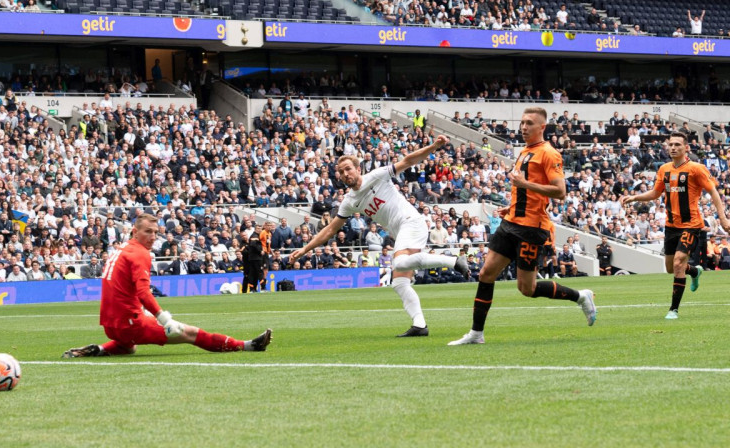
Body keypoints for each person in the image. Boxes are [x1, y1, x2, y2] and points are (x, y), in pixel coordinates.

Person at [289, 135, 469, 337]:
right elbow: (330, 230)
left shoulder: (377, 175)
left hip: (411, 221)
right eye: (341, 172)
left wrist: (434, 146)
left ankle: (454, 261)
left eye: (348, 169)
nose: (345, 174)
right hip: (400, 231)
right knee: (399, 282)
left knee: (400, 263)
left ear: (358, 169)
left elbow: (408, 161)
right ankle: (420, 325)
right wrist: (305, 249)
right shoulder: (349, 202)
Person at [449, 107, 596, 346]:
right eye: (522, 122)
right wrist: (511, 207)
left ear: (542, 127)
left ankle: (580, 296)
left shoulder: (549, 154)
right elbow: (523, 189)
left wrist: (525, 184)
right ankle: (476, 333)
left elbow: (560, 191)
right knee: (486, 274)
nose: (524, 127)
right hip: (511, 222)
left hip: (532, 228)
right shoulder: (525, 151)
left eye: (529, 123)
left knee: (526, 288)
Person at [63, 214, 271, 357]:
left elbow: (122, 287)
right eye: (147, 232)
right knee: (190, 333)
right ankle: (247, 346)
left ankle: (99, 349)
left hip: (110, 324)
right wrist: (164, 319)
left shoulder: (120, 249)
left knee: (129, 348)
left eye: (155, 232)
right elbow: (143, 292)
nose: (153, 237)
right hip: (129, 322)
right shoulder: (141, 253)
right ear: (135, 231)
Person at [621, 132, 730, 319]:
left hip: (691, 224)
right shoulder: (664, 169)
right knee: (671, 268)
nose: (673, 148)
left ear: (685, 147)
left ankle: (673, 309)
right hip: (671, 226)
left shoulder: (696, 169)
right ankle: (695, 272)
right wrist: (634, 197)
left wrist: (723, 218)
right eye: (670, 144)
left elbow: (713, 192)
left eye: (677, 144)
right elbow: (655, 193)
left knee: (679, 261)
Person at [242, 229, 266, 293]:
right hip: (255, 259)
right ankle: (262, 288)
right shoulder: (254, 236)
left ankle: (252, 289)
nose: (260, 230)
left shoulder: (253, 238)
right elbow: (253, 245)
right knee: (259, 273)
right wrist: (260, 251)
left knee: (252, 274)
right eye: (258, 228)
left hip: (251, 259)